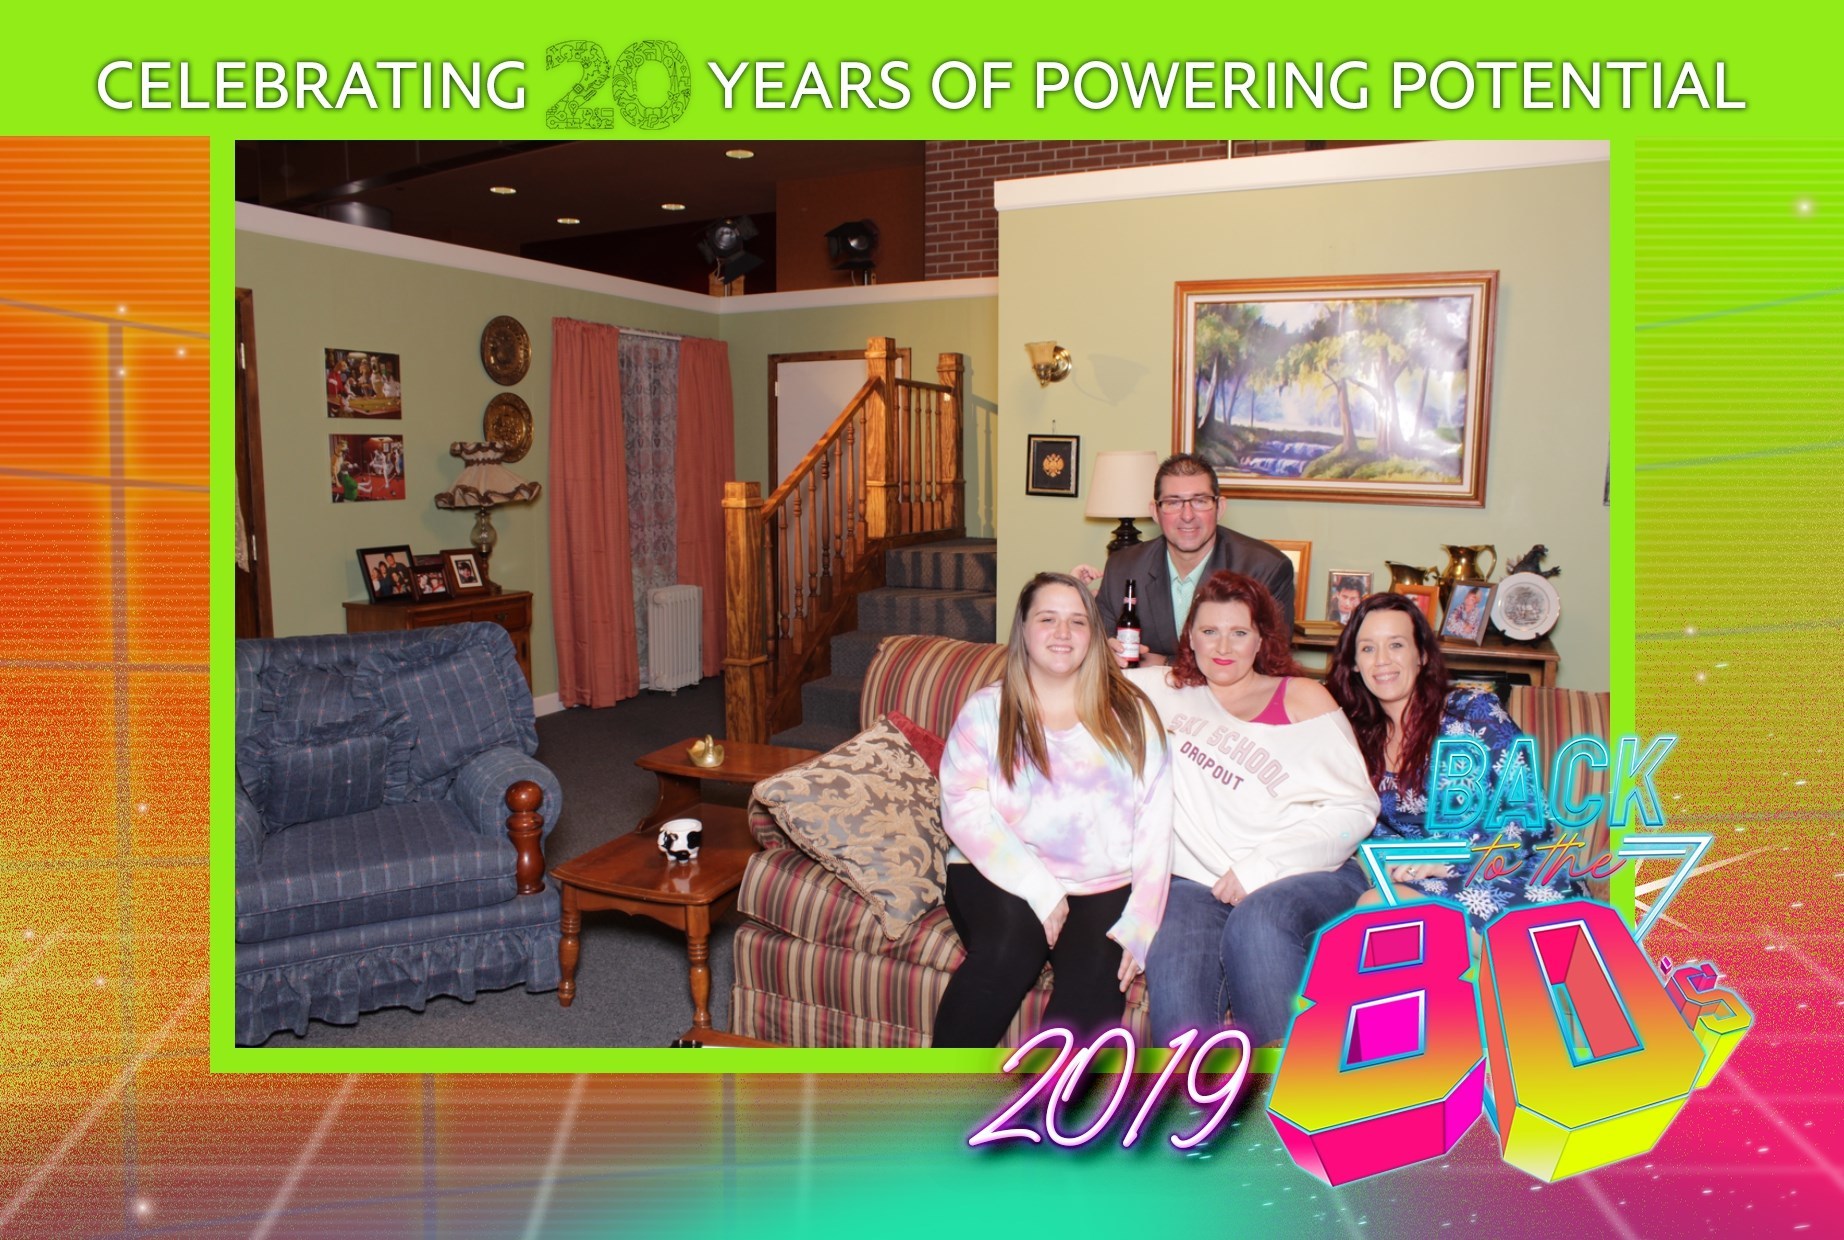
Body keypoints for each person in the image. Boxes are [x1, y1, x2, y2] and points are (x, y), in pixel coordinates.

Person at [1132, 571, 1379, 1048]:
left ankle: (1291, 1089)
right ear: (1190, 637)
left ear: (1261, 638)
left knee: (1258, 921)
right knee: (1178, 997)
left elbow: (1356, 808)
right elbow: (1063, 681)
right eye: (1209, 631)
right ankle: (1190, 1096)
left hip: (1309, 872)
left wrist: (1260, 867)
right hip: (1198, 882)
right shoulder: (1161, 690)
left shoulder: (1302, 697)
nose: (1223, 646)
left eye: (1239, 632)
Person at [934, 571, 1173, 1048]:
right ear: (1023, 628)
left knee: (1097, 983)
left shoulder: (1133, 712)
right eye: (1047, 619)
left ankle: (1047, 1097)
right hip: (998, 869)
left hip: (1102, 882)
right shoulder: (987, 710)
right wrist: (1040, 889)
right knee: (1010, 949)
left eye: (1077, 621)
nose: (1063, 633)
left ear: (1093, 634)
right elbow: (962, 805)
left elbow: (1155, 821)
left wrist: (1142, 920)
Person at [1328, 593, 1581, 934]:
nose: (1382, 660)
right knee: (1378, 907)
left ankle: (1534, 952)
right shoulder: (1355, 740)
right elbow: (1358, 830)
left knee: (1379, 909)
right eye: (1368, 648)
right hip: (1420, 887)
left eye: (1397, 645)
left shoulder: (1473, 711)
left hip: (1511, 874)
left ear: (1422, 655)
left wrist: (1449, 857)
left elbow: (1531, 818)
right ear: (1355, 663)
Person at [1090, 452, 1295, 665]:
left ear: (1220, 508)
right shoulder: (1123, 568)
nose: (1187, 516)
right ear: (1155, 512)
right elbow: (1102, 650)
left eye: (1200, 501)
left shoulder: (1265, 569)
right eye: (1173, 502)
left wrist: (1164, 663)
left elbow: (1270, 660)